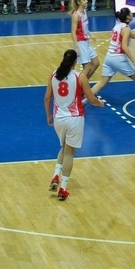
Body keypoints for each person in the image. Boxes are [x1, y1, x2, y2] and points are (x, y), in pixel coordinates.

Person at [44, 49, 105, 201]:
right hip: (74, 119)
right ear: (75, 62)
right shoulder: (80, 77)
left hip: (59, 118)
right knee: (69, 153)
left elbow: (47, 98)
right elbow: (91, 99)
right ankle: (63, 188)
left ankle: (55, 176)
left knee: (64, 147)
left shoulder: (53, 75)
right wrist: (100, 103)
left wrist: (48, 116)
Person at [88, 7, 135, 111]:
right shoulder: (126, 28)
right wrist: (133, 60)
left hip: (109, 57)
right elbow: (124, 46)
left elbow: (131, 35)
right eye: (130, 13)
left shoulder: (118, 26)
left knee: (102, 82)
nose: (132, 14)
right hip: (118, 58)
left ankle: (83, 101)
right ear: (127, 17)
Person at [70, 0, 100, 79]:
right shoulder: (76, 15)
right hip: (81, 43)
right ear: (79, 2)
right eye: (84, 0)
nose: (86, 1)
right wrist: (76, 46)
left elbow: (84, 27)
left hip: (86, 42)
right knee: (87, 67)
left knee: (96, 63)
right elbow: (73, 32)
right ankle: (78, 84)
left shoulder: (84, 11)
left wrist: (90, 34)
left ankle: (83, 83)